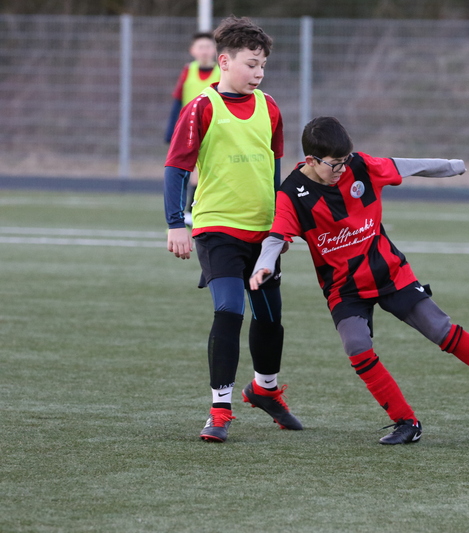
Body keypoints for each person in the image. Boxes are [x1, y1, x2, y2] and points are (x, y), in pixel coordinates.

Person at [249, 116, 469, 445]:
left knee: (439, 329)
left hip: (388, 272)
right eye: (335, 164)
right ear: (310, 161)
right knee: (357, 346)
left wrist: (452, 166)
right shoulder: (292, 192)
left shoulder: (360, 166)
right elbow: (277, 235)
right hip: (344, 288)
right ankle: (407, 422)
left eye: (346, 161)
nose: (342, 169)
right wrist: (264, 265)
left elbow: (409, 166)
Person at [164, 16, 301, 443]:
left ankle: (265, 389)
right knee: (229, 310)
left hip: (263, 234)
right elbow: (175, 168)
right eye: (251, 64)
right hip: (217, 229)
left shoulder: (270, 107)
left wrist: (281, 227)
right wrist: (175, 224)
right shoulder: (202, 107)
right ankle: (219, 408)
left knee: (270, 318)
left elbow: (273, 171)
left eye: (263, 66)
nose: (258, 73)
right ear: (225, 61)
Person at [165, 32, 221, 226]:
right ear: (192, 50)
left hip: (215, 130)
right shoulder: (188, 70)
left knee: (206, 173)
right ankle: (183, 214)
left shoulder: (222, 72)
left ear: (215, 50)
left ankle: (195, 212)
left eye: (208, 46)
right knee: (184, 171)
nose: (205, 51)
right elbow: (178, 99)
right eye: (201, 47)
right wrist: (171, 130)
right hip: (188, 130)